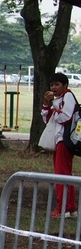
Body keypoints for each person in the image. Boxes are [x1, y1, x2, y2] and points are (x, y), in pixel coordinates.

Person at [42, 72, 78, 218]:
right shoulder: (58, 99)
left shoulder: (68, 96)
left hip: (64, 140)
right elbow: (47, 119)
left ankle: (63, 208)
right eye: (52, 85)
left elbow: (65, 117)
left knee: (61, 175)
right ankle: (70, 208)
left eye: (57, 84)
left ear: (65, 85)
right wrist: (46, 104)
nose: (54, 87)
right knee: (64, 174)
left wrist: (55, 111)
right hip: (58, 141)